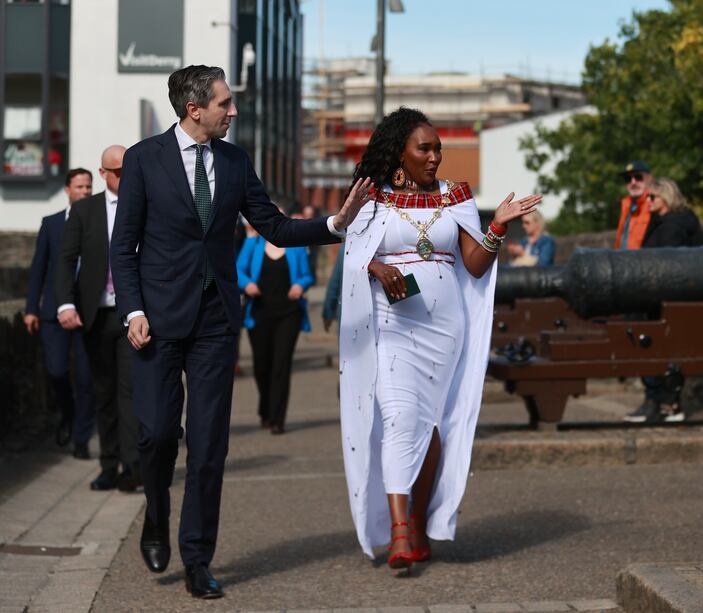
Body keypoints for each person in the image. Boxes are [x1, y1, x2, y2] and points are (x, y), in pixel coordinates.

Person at [110, 64, 371, 599]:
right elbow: (123, 246)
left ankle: (197, 557)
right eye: (225, 103)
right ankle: (156, 514)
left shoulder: (234, 160)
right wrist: (132, 310)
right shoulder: (143, 160)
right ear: (195, 109)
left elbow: (272, 225)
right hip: (155, 322)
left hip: (216, 321)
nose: (233, 110)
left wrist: (335, 224)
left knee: (208, 446)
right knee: (158, 434)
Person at [339, 107, 541, 571]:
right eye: (424, 149)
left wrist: (497, 226)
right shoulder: (372, 199)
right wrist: (375, 266)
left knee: (429, 426)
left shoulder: (456, 196)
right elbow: (352, 255)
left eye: (437, 149)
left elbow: (472, 264)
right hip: (392, 325)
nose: (434, 157)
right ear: (400, 154)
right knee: (397, 418)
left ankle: (419, 519)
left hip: (444, 329)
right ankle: (399, 533)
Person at [54, 148, 141, 492]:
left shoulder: (144, 204)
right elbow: (65, 259)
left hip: (133, 314)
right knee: (102, 391)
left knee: (130, 392)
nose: (124, 177)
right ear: (103, 173)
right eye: (117, 171)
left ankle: (132, 466)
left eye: (128, 170)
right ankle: (109, 464)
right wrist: (64, 305)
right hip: (95, 314)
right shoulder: (84, 210)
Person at [24, 168, 96, 459]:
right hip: (54, 312)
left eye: (89, 187)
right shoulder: (52, 224)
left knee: (86, 379)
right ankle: (67, 413)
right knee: (56, 371)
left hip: (88, 313)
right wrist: (31, 309)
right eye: (80, 187)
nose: (86, 192)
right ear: (67, 189)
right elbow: (39, 268)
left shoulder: (98, 220)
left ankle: (81, 439)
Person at [624, 177, 703, 423]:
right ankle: (657, 400)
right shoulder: (663, 223)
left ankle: (666, 402)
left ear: (665, 198)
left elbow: (669, 266)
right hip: (659, 296)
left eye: (652, 197)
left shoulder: (673, 226)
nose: (646, 201)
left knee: (661, 348)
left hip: (670, 300)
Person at [236, 223, 314, 433]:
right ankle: (265, 408)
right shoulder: (253, 244)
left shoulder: (296, 246)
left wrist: (300, 285)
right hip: (259, 313)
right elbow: (238, 270)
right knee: (262, 366)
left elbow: (307, 275)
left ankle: (277, 418)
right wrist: (247, 284)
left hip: (289, 314)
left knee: (281, 365)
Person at [614, 160, 653, 250]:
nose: (633, 182)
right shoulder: (626, 206)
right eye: (628, 179)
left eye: (638, 177)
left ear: (649, 178)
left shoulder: (655, 203)